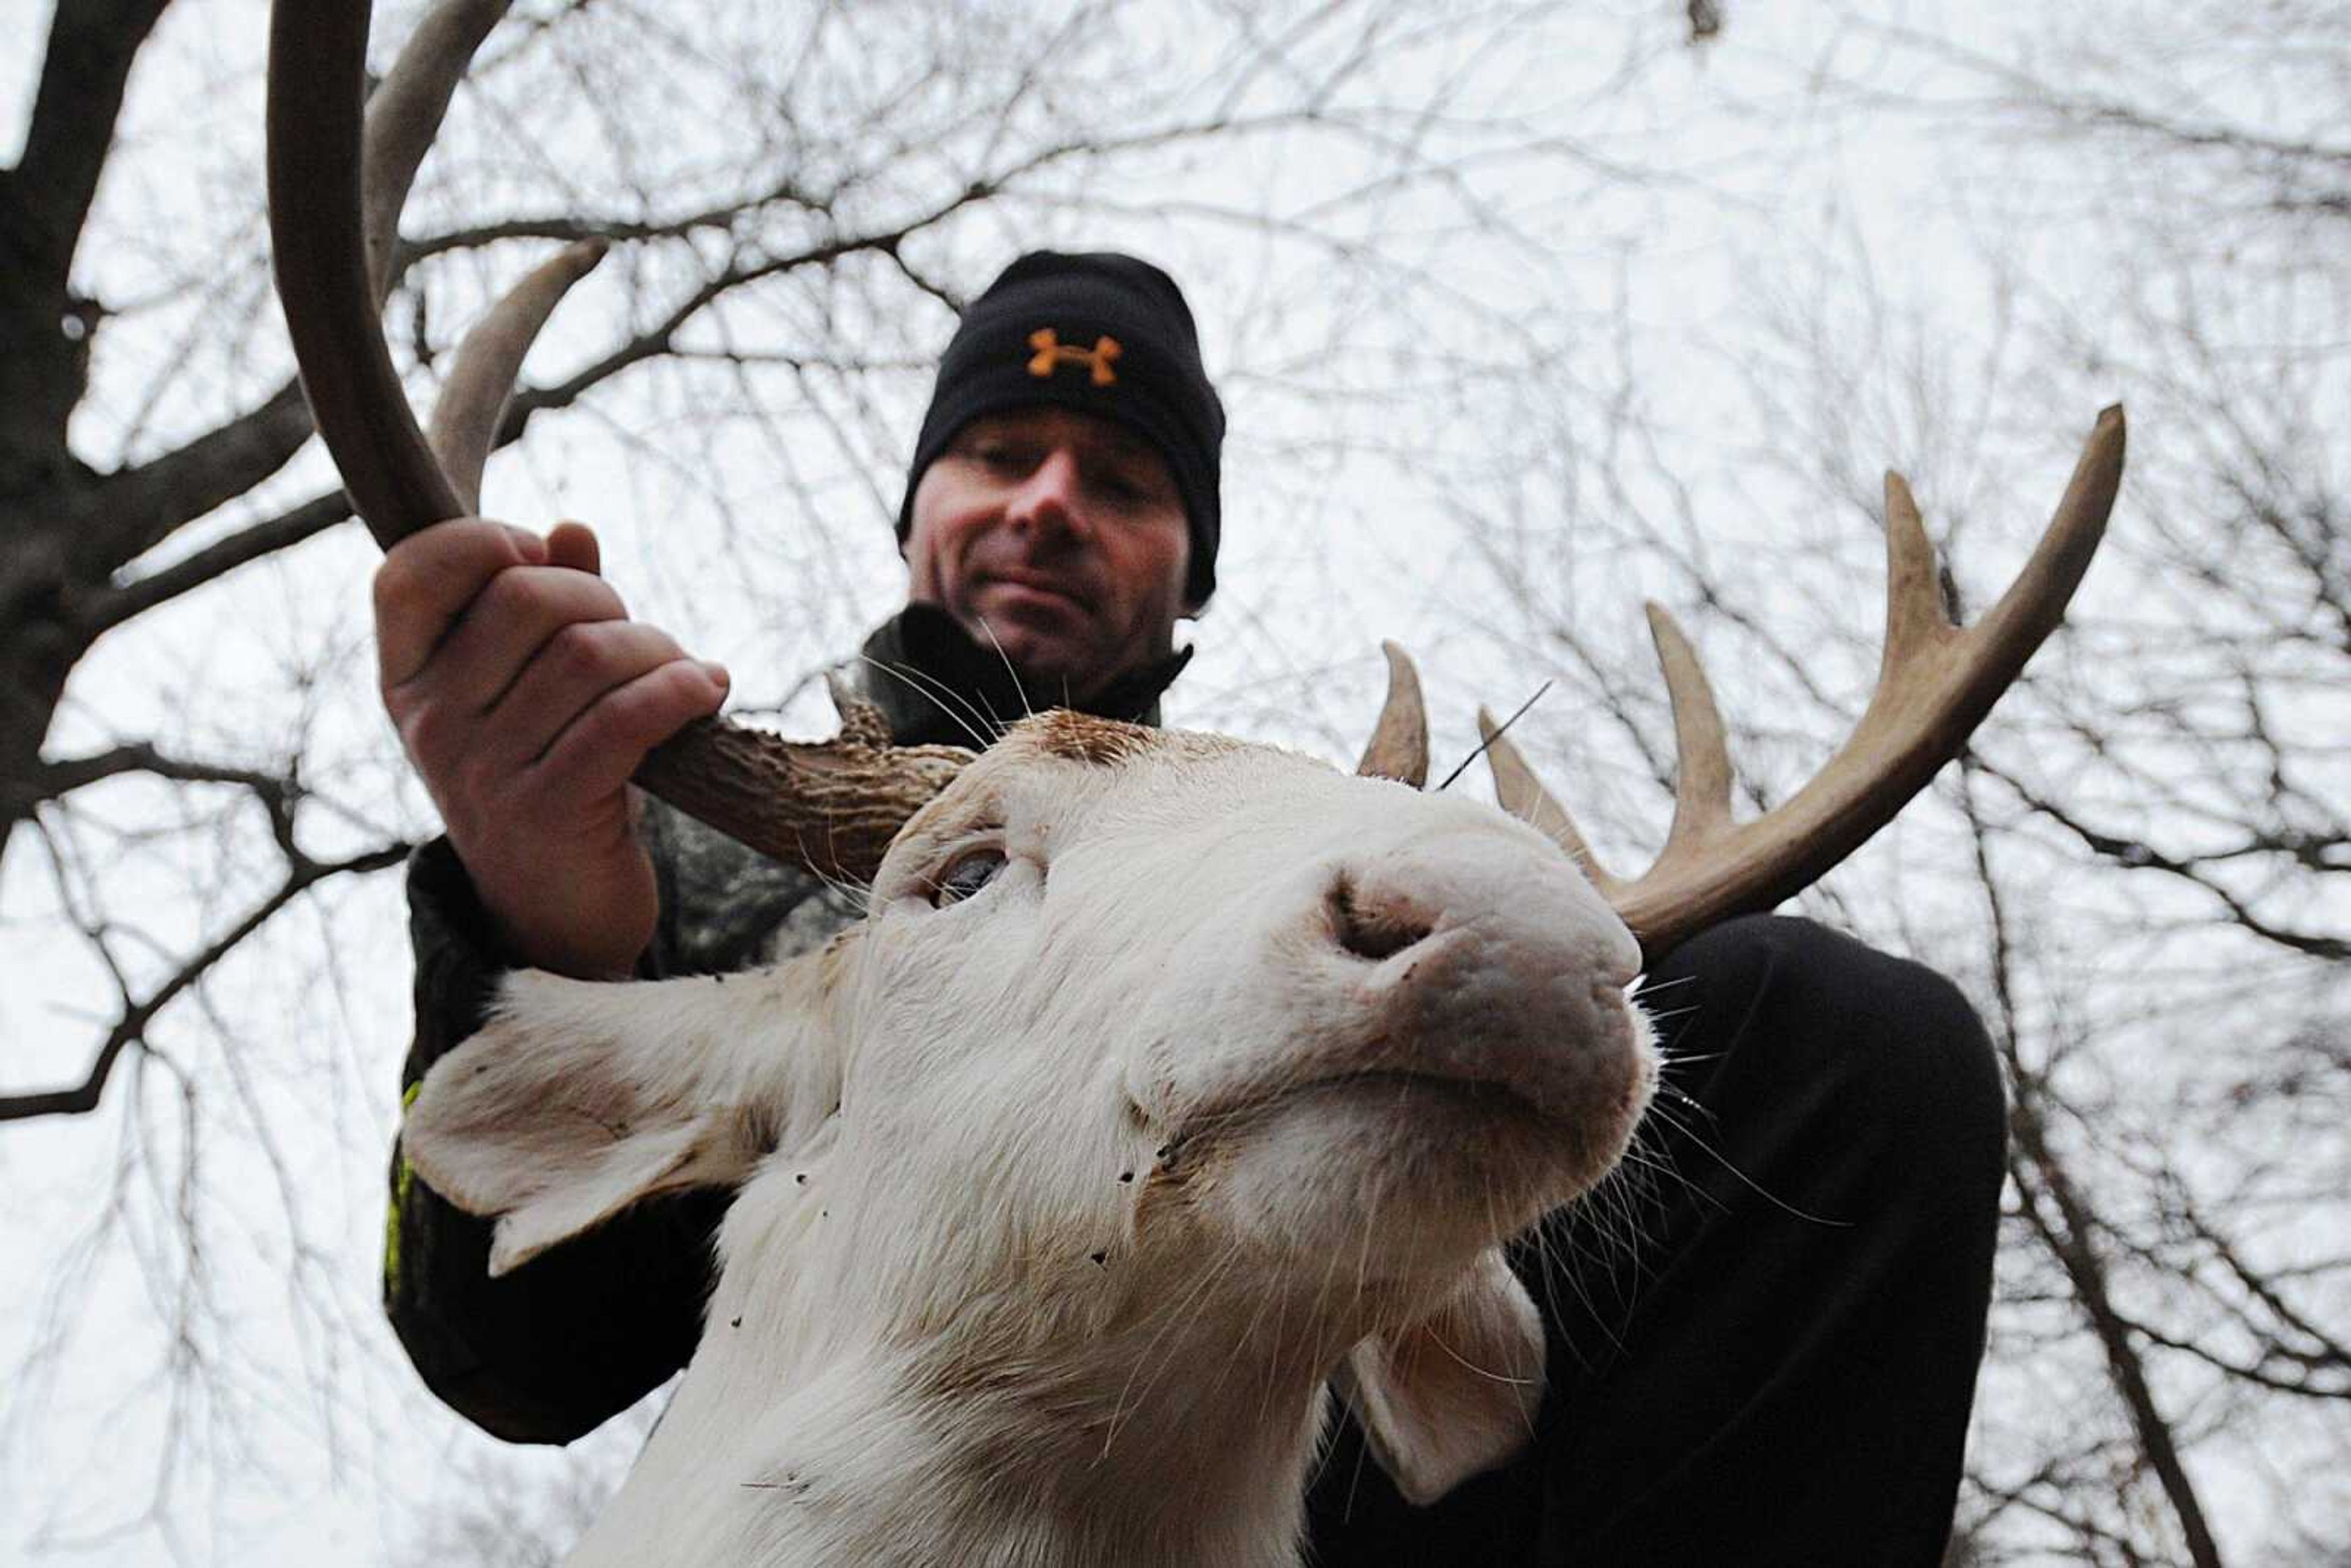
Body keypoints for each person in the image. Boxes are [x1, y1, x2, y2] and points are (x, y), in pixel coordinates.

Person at [378, 250, 2006, 1564]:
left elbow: (1461, 1418)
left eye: (1124, 477)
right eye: (1004, 453)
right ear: (922, 507)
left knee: (1841, 1040)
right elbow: (507, 1358)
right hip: (851, 1445)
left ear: (1187, 560)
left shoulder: (1300, 844)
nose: (1050, 501)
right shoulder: (694, 856)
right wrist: (545, 918)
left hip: (1269, 1441)